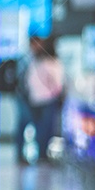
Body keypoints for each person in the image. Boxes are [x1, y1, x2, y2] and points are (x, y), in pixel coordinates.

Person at [23, 36, 65, 164]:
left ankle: (41, 154)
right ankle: (42, 155)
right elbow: (57, 83)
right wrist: (57, 94)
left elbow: (28, 81)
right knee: (47, 128)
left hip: (34, 99)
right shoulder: (53, 63)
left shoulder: (35, 62)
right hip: (48, 99)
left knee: (39, 128)